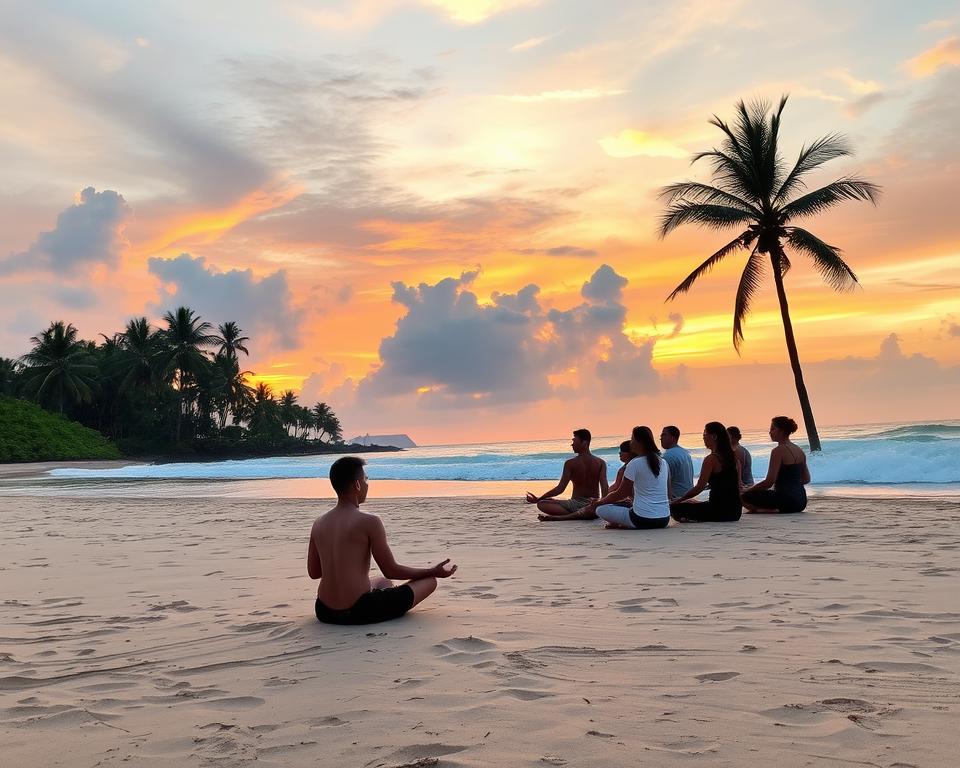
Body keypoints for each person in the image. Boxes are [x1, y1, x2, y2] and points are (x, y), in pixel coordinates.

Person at [307, 456, 457, 625]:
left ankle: (381, 596)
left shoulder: (319, 523)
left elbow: (314, 573)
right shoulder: (370, 521)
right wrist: (432, 571)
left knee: (383, 582)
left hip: (324, 610)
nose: (367, 484)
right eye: (366, 479)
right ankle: (389, 599)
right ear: (357, 484)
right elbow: (391, 570)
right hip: (360, 610)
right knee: (429, 582)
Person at [580, 426, 671, 529]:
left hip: (641, 519)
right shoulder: (664, 463)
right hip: (664, 519)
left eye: (632, 439)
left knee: (600, 509)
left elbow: (622, 493)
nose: (631, 443)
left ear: (639, 442)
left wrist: (599, 503)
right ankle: (622, 522)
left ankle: (621, 524)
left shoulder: (634, 463)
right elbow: (668, 493)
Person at [526, 428, 608, 520]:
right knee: (549, 501)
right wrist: (602, 503)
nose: (572, 444)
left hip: (574, 504)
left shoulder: (570, 463)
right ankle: (586, 512)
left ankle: (575, 514)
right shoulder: (600, 462)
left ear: (584, 443)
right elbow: (605, 488)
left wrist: (539, 499)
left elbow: (560, 489)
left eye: (574, 441)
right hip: (593, 503)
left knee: (541, 504)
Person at [670, 421, 742, 523]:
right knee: (693, 503)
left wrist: (680, 499)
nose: (703, 437)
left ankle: (689, 517)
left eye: (705, 434)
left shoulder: (711, 459)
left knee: (675, 508)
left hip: (719, 511)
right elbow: (736, 486)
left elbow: (699, 487)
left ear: (714, 437)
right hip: (735, 511)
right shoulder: (733, 457)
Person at [742, 416, 810, 513]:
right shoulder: (799, 450)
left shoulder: (778, 451)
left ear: (781, 431)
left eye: (773, 429)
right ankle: (770, 509)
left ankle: (768, 510)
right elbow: (807, 479)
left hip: (786, 501)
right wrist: (791, 485)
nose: (770, 432)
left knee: (742, 497)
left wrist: (749, 489)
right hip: (801, 501)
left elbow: (769, 481)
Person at [660, 425, 694, 500]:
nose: (660, 438)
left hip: (676, 499)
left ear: (672, 437)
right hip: (688, 496)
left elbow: (663, 482)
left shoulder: (668, 456)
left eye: (664, 435)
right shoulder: (685, 453)